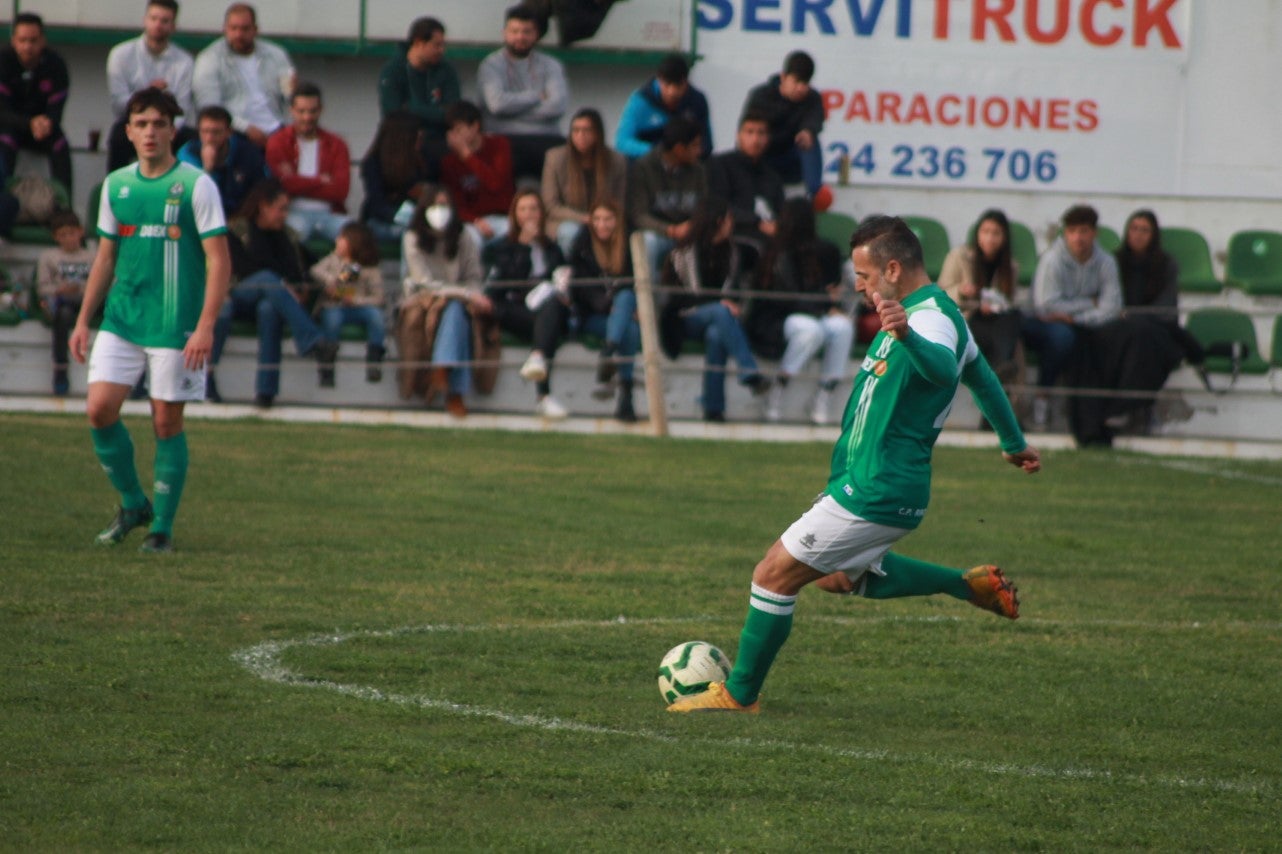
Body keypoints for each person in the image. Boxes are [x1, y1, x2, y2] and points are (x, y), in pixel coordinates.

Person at [667, 216, 1040, 714]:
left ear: (892, 267)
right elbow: (981, 374)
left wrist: (907, 336)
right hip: (866, 480)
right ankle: (964, 585)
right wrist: (1012, 441)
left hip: (878, 486)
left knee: (772, 574)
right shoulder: (931, 312)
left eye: (864, 277)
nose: (859, 287)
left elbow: (944, 368)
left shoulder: (926, 320)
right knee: (835, 577)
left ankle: (739, 694)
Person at [67, 87, 231, 554]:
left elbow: (219, 260)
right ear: (128, 132)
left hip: (174, 322)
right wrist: (84, 320)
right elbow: (104, 258)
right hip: (122, 318)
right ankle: (133, 503)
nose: (150, 132)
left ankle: (162, 528)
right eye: (141, 124)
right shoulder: (116, 186)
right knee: (99, 410)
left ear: (173, 130)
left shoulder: (197, 185)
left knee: (165, 421)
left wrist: (205, 325)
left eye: (159, 123)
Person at [1067, 209, 1202, 446]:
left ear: (1154, 235)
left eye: (1144, 230)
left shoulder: (1166, 265)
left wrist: (1133, 316)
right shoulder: (1114, 261)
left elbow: (1166, 308)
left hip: (1153, 329)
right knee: (1094, 344)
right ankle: (1100, 417)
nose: (1138, 235)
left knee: (1143, 338)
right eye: (1134, 229)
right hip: (1118, 327)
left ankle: (1126, 407)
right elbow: (1106, 300)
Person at [210, 178, 339, 406]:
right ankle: (313, 341)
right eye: (281, 209)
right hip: (237, 297)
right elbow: (240, 269)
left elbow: (304, 269)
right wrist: (283, 286)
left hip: (271, 300)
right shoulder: (237, 230)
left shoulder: (287, 236)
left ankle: (265, 392)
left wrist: (300, 287)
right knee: (268, 280)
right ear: (264, 206)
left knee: (269, 308)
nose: (284, 215)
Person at [658, 198, 771, 422]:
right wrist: (718, 302)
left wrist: (725, 303)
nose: (732, 224)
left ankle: (713, 408)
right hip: (684, 319)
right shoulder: (680, 255)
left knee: (717, 334)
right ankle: (749, 372)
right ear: (719, 222)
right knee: (720, 312)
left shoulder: (733, 253)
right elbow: (676, 300)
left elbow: (737, 291)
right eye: (729, 220)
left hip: (719, 321)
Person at [749, 198, 851, 425]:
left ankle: (824, 393)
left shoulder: (824, 250)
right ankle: (778, 389)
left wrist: (831, 305)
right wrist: (825, 304)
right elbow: (787, 298)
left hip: (812, 312)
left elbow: (828, 289)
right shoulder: (774, 252)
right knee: (810, 330)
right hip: (777, 318)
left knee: (842, 327)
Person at [1022, 204, 1122, 429]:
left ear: (1094, 233)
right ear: (1065, 233)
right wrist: (1090, 303)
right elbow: (1046, 306)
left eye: (1084, 231)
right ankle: (1042, 399)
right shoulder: (1052, 260)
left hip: (1080, 324)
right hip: (1042, 324)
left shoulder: (1106, 262)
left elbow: (1112, 307)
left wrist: (1077, 318)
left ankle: (1105, 409)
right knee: (1062, 337)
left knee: (1111, 335)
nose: (1078, 238)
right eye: (1072, 231)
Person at [398, 186, 495, 416]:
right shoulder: (412, 237)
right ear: (424, 209)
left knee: (455, 311)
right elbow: (423, 282)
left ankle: (443, 368)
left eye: (444, 206)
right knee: (455, 307)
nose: (439, 211)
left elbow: (473, 277)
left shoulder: (463, 236)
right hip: (422, 299)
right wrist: (465, 295)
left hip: (459, 301)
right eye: (434, 206)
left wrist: (467, 295)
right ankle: (455, 393)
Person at [481, 189, 570, 419]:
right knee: (547, 321)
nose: (529, 214)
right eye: (523, 209)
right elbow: (499, 286)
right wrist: (522, 246)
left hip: (545, 310)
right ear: (515, 214)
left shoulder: (551, 248)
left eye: (533, 208)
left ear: (541, 213)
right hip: (512, 309)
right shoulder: (502, 246)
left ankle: (538, 362)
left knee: (550, 308)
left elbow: (559, 276)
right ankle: (543, 393)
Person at [938, 209, 1024, 427]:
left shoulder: (1011, 267)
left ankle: (1001, 369)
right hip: (967, 319)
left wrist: (997, 306)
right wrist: (962, 291)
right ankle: (1001, 370)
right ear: (977, 233)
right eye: (985, 231)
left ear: (1004, 238)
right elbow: (941, 294)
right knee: (1003, 349)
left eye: (996, 233)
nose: (990, 238)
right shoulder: (959, 256)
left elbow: (1009, 301)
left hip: (998, 323)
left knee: (1013, 318)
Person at [476, 4, 568, 183]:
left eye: (527, 31)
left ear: (536, 34)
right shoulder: (491, 65)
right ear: (505, 33)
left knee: (565, 157)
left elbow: (557, 106)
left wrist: (513, 110)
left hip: (546, 138)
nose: (520, 37)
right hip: (503, 138)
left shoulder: (551, 65)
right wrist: (536, 96)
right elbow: (497, 105)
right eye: (515, 31)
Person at [567, 200, 640, 422]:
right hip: (592, 316)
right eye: (597, 219)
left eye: (608, 219)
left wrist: (621, 307)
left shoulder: (629, 249)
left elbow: (632, 286)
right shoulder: (582, 247)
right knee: (627, 319)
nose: (602, 225)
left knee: (629, 322)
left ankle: (609, 351)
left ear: (617, 221)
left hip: (617, 318)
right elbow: (583, 293)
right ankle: (625, 396)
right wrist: (616, 306)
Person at [105, 0, 195, 171]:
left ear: (173, 26)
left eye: (164, 21)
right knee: (118, 135)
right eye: (153, 18)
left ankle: (183, 190)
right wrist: (147, 95)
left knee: (191, 140)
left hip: (169, 125)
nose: (158, 25)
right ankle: (116, 188)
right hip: (135, 121)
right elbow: (118, 106)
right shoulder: (121, 54)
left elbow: (183, 108)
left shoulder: (185, 61)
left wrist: (167, 129)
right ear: (144, 20)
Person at [192, 3, 294, 148]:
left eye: (245, 29)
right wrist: (246, 128)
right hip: (235, 133)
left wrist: (292, 91)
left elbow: (290, 97)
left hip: (277, 129)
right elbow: (209, 108)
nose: (239, 34)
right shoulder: (209, 59)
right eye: (234, 28)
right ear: (225, 29)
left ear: (255, 30)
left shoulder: (276, 54)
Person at [626, 115, 707, 286]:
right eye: (695, 146)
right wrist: (670, 230)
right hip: (659, 233)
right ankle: (649, 302)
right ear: (679, 149)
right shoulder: (644, 167)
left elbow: (704, 207)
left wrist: (692, 228)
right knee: (649, 242)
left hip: (691, 235)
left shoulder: (699, 171)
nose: (699, 151)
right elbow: (638, 215)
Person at [265, 82, 351, 242]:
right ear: (291, 110)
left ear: (321, 110)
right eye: (301, 111)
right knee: (291, 235)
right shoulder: (278, 141)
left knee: (357, 236)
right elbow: (281, 184)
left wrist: (297, 182)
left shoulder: (336, 144)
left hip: (330, 214)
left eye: (312, 111)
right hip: (291, 212)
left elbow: (341, 190)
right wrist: (321, 180)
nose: (307, 117)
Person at [0, 13, 73, 193]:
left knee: (60, 145)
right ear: (13, 41)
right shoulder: (3, 61)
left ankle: (64, 209)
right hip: (11, 126)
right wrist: (28, 123)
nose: (27, 46)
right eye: (22, 40)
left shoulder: (55, 64)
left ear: (43, 41)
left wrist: (47, 123)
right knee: (4, 143)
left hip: (43, 129)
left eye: (33, 40)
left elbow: (57, 108)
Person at [377, 16, 460, 173]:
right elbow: (392, 114)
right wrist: (434, 113)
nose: (442, 50)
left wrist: (412, 108)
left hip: (439, 139)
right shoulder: (393, 71)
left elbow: (453, 113)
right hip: (403, 141)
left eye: (443, 45)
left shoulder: (446, 70)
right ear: (418, 43)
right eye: (436, 45)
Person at [741, 51, 826, 203]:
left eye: (805, 83)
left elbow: (814, 120)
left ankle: (813, 193)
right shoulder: (761, 95)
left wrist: (808, 131)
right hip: (766, 153)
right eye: (797, 82)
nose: (801, 88)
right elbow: (747, 130)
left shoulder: (813, 98)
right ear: (783, 78)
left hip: (792, 156)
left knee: (811, 141)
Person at [541, 107, 627, 252]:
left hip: (605, 220)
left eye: (587, 130)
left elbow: (619, 202)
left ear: (597, 133)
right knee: (570, 231)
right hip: (565, 220)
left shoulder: (616, 160)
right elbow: (551, 205)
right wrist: (584, 218)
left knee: (618, 231)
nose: (581, 135)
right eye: (576, 130)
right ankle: (569, 270)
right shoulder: (555, 158)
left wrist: (602, 219)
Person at [311, 221, 385, 384]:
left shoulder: (369, 268)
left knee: (376, 316)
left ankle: (374, 360)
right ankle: (327, 364)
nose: (337, 240)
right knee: (332, 318)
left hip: (358, 308)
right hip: (334, 307)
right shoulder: (333, 260)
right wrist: (331, 282)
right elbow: (316, 271)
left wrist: (355, 300)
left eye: (342, 237)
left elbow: (378, 297)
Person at [37, 209, 95, 396]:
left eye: (71, 233)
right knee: (62, 314)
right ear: (55, 237)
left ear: (80, 232)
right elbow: (42, 287)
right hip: (63, 302)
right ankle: (60, 367)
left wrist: (80, 288)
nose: (68, 238)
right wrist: (59, 289)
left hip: (90, 300)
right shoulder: (49, 256)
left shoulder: (92, 256)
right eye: (62, 235)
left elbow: (104, 284)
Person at [614, 52, 713, 161]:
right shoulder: (640, 101)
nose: (672, 92)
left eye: (678, 85)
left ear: (686, 82)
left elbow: (706, 143)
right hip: (647, 166)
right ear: (659, 80)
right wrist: (658, 152)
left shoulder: (697, 101)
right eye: (667, 85)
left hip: (686, 166)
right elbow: (622, 141)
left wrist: (687, 153)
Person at [707, 111, 784, 250]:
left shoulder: (772, 174)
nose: (755, 139)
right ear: (738, 135)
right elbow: (718, 205)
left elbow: (781, 209)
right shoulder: (721, 164)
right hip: (736, 230)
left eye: (761, 133)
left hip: (771, 230)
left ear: (768, 138)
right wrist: (757, 222)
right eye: (749, 132)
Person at [440, 100, 514, 244]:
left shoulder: (499, 146)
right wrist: (475, 220)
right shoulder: (449, 162)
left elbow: (496, 184)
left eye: (459, 129)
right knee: (469, 239)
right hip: (472, 221)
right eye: (451, 130)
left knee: (515, 233)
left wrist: (467, 156)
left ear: (475, 126)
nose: (455, 135)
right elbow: (455, 202)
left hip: (503, 216)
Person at [176, 105, 267, 215]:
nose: (209, 138)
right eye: (205, 131)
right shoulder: (188, 153)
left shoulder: (246, 151)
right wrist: (207, 169)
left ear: (229, 132)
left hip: (241, 217)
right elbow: (190, 197)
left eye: (216, 132)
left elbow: (261, 188)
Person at [360, 111, 432, 243]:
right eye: (416, 137)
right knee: (412, 236)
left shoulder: (422, 159)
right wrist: (408, 218)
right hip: (380, 222)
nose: (420, 141)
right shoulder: (374, 163)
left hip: (415, 220)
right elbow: (378, 206)